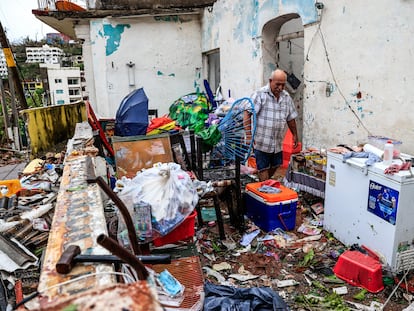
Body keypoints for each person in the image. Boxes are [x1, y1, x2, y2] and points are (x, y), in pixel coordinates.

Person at [244, 69, 299, 181]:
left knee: (276, 165)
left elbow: (291, 118)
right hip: (262, 142)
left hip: (277, 143)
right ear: (270, 81)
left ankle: (264, 183)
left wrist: (295, 134)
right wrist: (249, 136)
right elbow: (247, 113)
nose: (280, 88)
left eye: (283, 85)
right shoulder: (260, 95)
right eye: (277, 84)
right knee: (263, 168)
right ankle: (264, 188)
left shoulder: (286, 97)